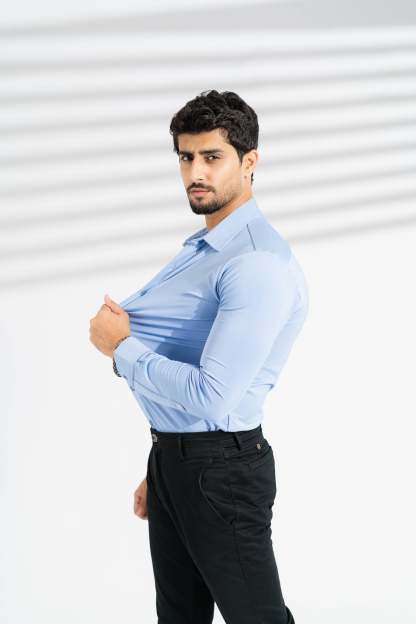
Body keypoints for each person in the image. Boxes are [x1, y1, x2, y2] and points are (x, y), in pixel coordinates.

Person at [89, 89, 309, 623]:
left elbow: (213, 397)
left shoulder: (254, 262)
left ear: (249, 161)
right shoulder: (206, 247)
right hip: (181, 460)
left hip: (221, 470)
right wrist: (165, 467)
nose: (195, 173)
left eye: (212, 157)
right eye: (186, 157)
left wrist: (121, 348)